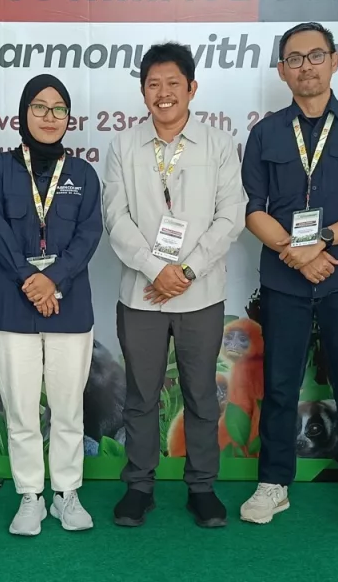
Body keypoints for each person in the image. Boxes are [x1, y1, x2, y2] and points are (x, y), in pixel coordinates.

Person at [239, 21, 338, 534]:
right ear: (283, 70)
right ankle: (274, 484)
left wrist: (320, 242)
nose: (306, 66)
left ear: (334, 60)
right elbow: (253, 210)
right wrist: (295, 252)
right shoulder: (265, 133)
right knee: (280, 387)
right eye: (295, 58)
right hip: (285, 281)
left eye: (316, 55)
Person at [103, 42, 247, 529]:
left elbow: (231, 216)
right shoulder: (123, 145)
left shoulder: (218, 144)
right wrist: (154, 268)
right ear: (143, 91)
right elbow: (115, 217)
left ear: (192, 88)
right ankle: (138, 487)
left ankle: (202, 488)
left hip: (200, 294)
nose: (163, 94)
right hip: (141, 294)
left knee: (201, 393)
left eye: (173, 84)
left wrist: (184, 273)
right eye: (153, 85)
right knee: (141, 394)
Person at [0, 74, 103, 537]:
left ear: (68, 117)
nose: (49, 117)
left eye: (58, 109)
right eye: (39, 107)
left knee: (69, 408)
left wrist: (52, 280)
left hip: (68, 306)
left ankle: (66, 493)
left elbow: (89, 235)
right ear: (23, 114)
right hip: (13, 305)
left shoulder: (83, 174)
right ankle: (30, 495)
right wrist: (31, 280)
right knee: (21, 408)